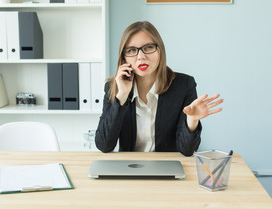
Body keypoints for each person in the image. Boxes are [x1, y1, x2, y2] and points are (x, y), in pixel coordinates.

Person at [95, 21, 223, 156]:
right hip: (130, 168)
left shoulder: (184, 85)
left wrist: (192, 120)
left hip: (168, 168)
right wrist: (121, 96)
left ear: (160, 51)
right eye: (132, 50)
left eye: (148, 47)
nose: (141, 56)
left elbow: (187, 150)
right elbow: (104, 145)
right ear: (124, 58)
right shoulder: (114, 86)